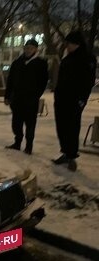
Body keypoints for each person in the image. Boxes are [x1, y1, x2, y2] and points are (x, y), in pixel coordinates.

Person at [52, 31, 97, 171]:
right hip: (61, 99)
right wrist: (57, 95)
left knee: (71, 127)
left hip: (75, 100)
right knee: (62, 126)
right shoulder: (67, 58)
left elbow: (88, 81)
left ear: (76, 43)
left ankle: (71, 156)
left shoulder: (87, 58)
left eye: (69, 44)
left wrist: (82, 99)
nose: (67, 46)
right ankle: (65, 152)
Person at [4, 39, 48, 154]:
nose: (28, 50)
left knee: (30, 124)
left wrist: (35, 95)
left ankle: (29, 146)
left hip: (31, 100)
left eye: (31, 48)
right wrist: (7, 96)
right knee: (16, 123)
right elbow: (10, 81)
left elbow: (43, 82)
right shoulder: (17, 62)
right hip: (17, 99)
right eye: (27, 48)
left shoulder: (41, 63)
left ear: (35, 49)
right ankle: (17, 142)